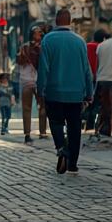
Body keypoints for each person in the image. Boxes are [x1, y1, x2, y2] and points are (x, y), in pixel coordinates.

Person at [37, 9, 95, 175]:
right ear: (70, 22)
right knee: (74, 127)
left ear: (56, 21)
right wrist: (89, 93)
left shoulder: (48, 40)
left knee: (55, 122)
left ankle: (62, 149)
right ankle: (72, 164)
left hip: (54, 92)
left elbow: (44, 69)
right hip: (76, 94)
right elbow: (86, 70)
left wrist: (40, 90)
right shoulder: (79, 41)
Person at [16, 35, 42, 143]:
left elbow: (18, 62)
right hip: (37, 81)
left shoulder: (23, 49)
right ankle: (42, 132)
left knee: (27, 109)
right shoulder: (39, 48)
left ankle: (27, 134)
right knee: (42, 107)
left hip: (26, 81)